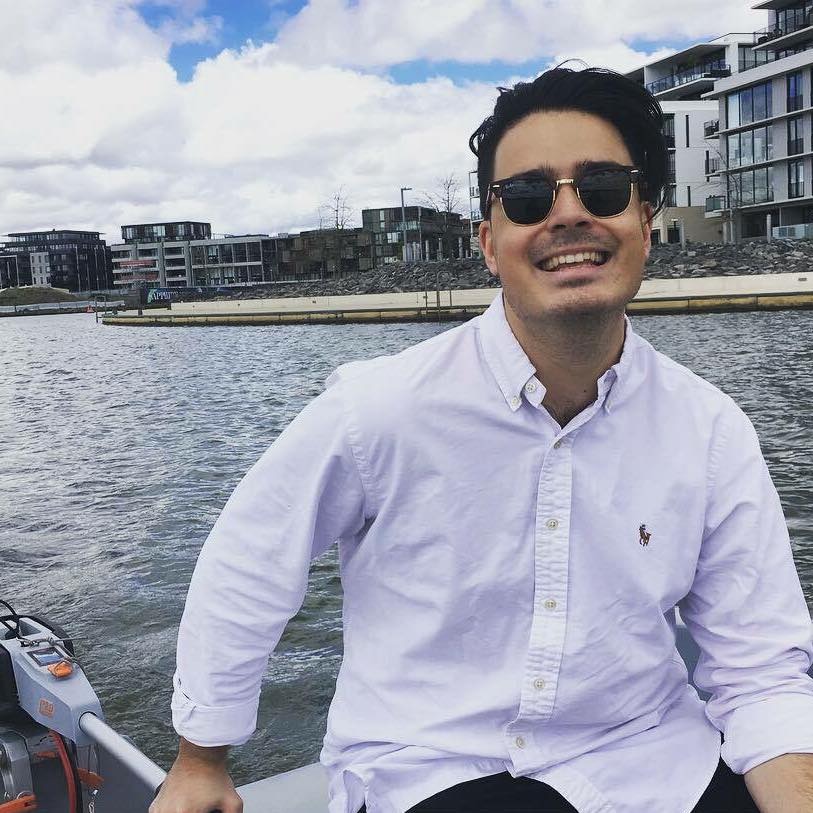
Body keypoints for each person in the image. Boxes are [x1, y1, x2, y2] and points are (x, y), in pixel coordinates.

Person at [150, 67, 813, 813]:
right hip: (435, 762)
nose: (568, 215)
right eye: (528, 197)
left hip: (650, 752)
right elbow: (249, 562)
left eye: (600, 189)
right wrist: (201, 757)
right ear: (489, 243)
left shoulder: (708, 429)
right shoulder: (379, 409)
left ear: (645, 223)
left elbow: (759, 663)